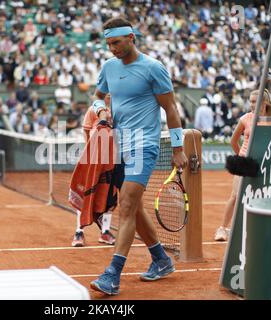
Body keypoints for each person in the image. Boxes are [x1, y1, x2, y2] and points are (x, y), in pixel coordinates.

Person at [89, 17, 187, 296]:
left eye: (116, 42)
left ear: (131, 37)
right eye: (108, 44)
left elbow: (170, 109)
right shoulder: (108, 67)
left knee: (127, 204)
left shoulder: (154, 68)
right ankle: (161, 259)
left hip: (144, 145)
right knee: (133, 206)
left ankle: (112, 274)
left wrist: (178, 149)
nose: (112, 49)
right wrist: (101, 110)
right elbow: (98, 96)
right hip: (118, 145)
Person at [215, 89, 271, 241]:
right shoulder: (245, 119)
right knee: (235, 196)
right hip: (245, 162)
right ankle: (222, 229)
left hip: (263, 164)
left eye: (255, 101)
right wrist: (242, 156)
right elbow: (233, 141)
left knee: (263, 197)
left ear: (265, 102)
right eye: (251, 101)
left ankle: (260, 229)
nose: (252, 104)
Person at [71, 94, 116, 247]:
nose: (109, 94)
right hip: (93, 159)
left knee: (110, 195)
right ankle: (79, 232)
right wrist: (89, 152)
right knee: (85, 193)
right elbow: (86, 131)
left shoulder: (118, 109)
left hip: (111, 160)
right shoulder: (92, 110)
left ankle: (105, 232)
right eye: (107, 92)